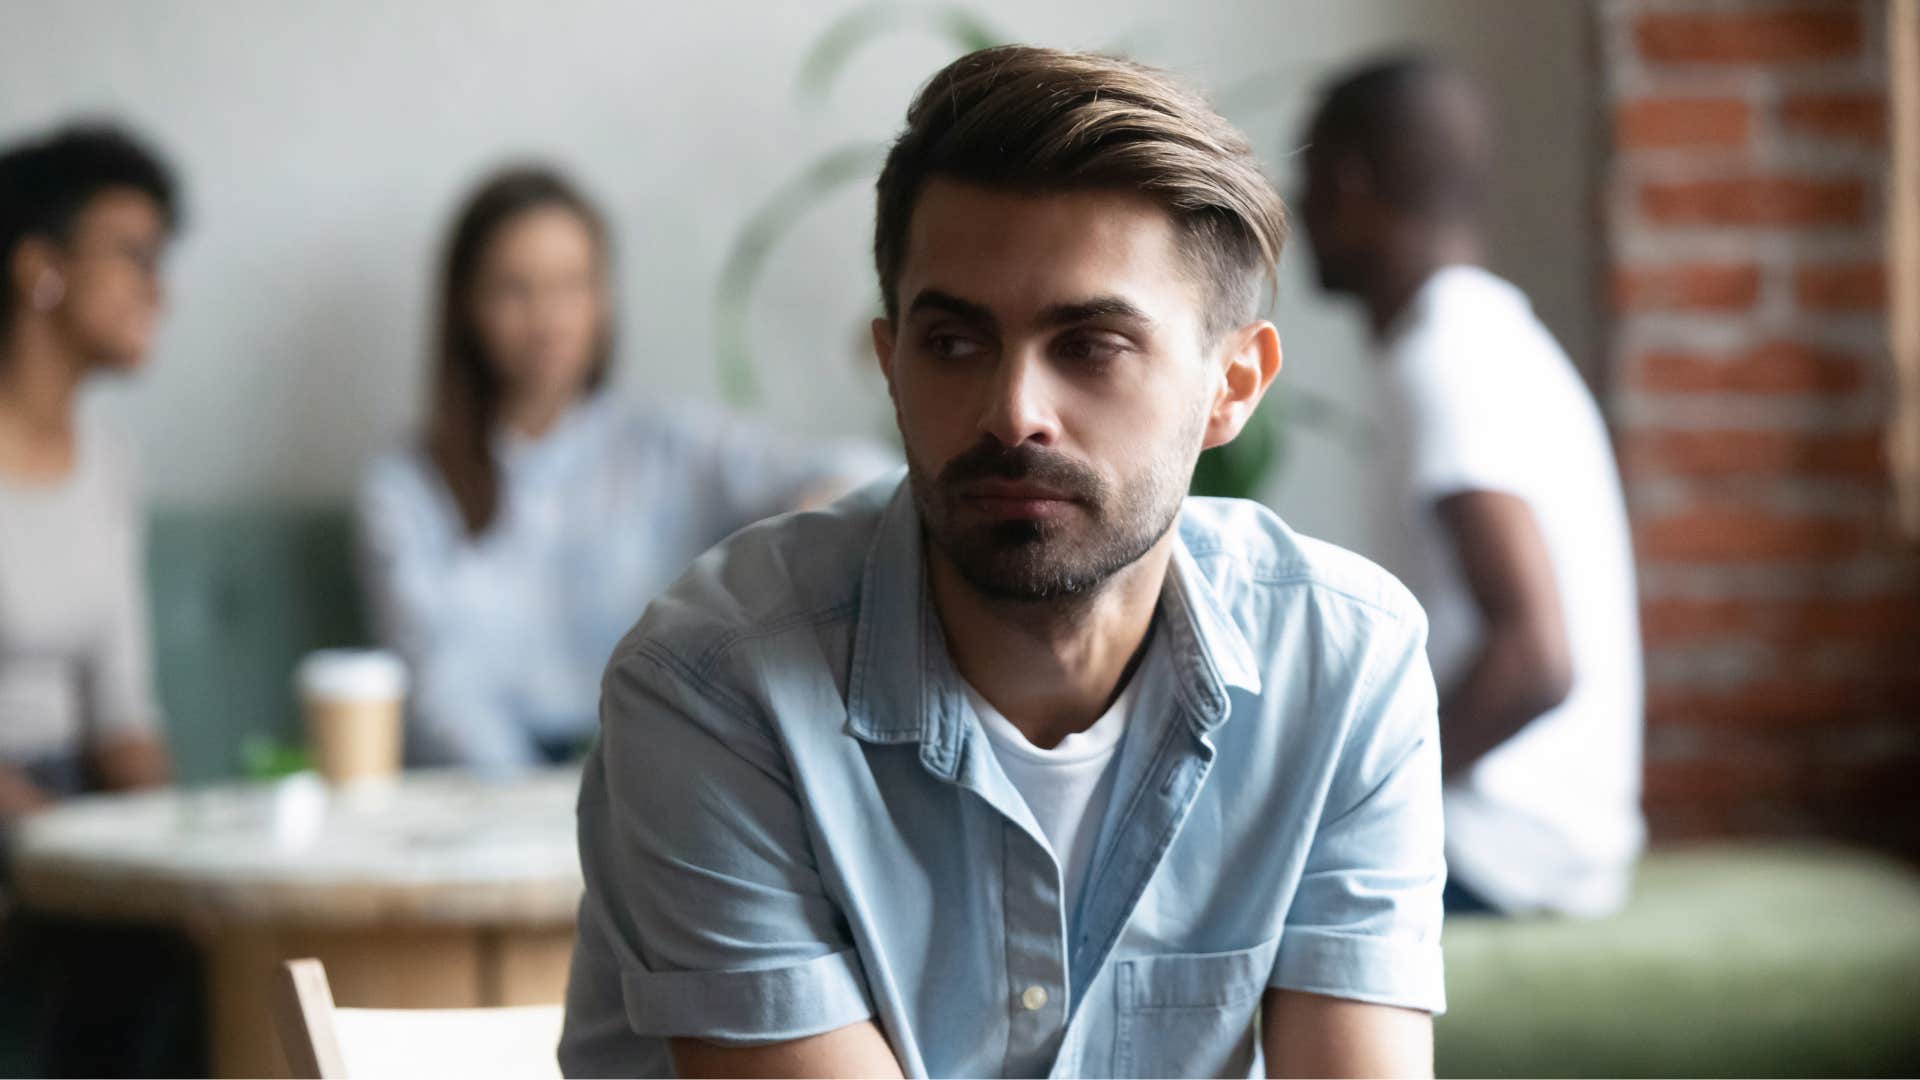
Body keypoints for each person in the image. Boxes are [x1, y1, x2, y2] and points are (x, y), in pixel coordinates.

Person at [562, 46, 1446, 1078]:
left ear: (1233, 385)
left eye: (1091, 345)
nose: (1013, 411)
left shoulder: (1339, 665)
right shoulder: (718, 685)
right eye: (954, 343)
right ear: (892, 366)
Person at [358, 166, 889, 774]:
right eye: (515, 289)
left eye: (572, 285)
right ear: (466, 305)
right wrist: (539, 802)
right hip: (484, 794)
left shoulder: (666, 445)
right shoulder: (407, 488)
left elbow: (864, 472)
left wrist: (816, 513)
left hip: (653, 772)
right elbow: (436, 693)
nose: (548, 318)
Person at [1297, 55, 1645, 918]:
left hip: (1502, 851)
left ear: (1348, 185)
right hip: (1545, 841)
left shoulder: (1446, 357)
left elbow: (1535, 660)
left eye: (1302, 180)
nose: (1295, 211)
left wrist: (1353, 805)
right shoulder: (1481, 337)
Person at [0, 122, 202, 1077]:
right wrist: (62, 843)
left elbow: (121, 716)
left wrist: (184, 853)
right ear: (38, 267)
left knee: (209, 938)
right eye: (133, 256)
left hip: (66, 811)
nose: (158, 289)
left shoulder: (109, 470)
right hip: (18, 814)